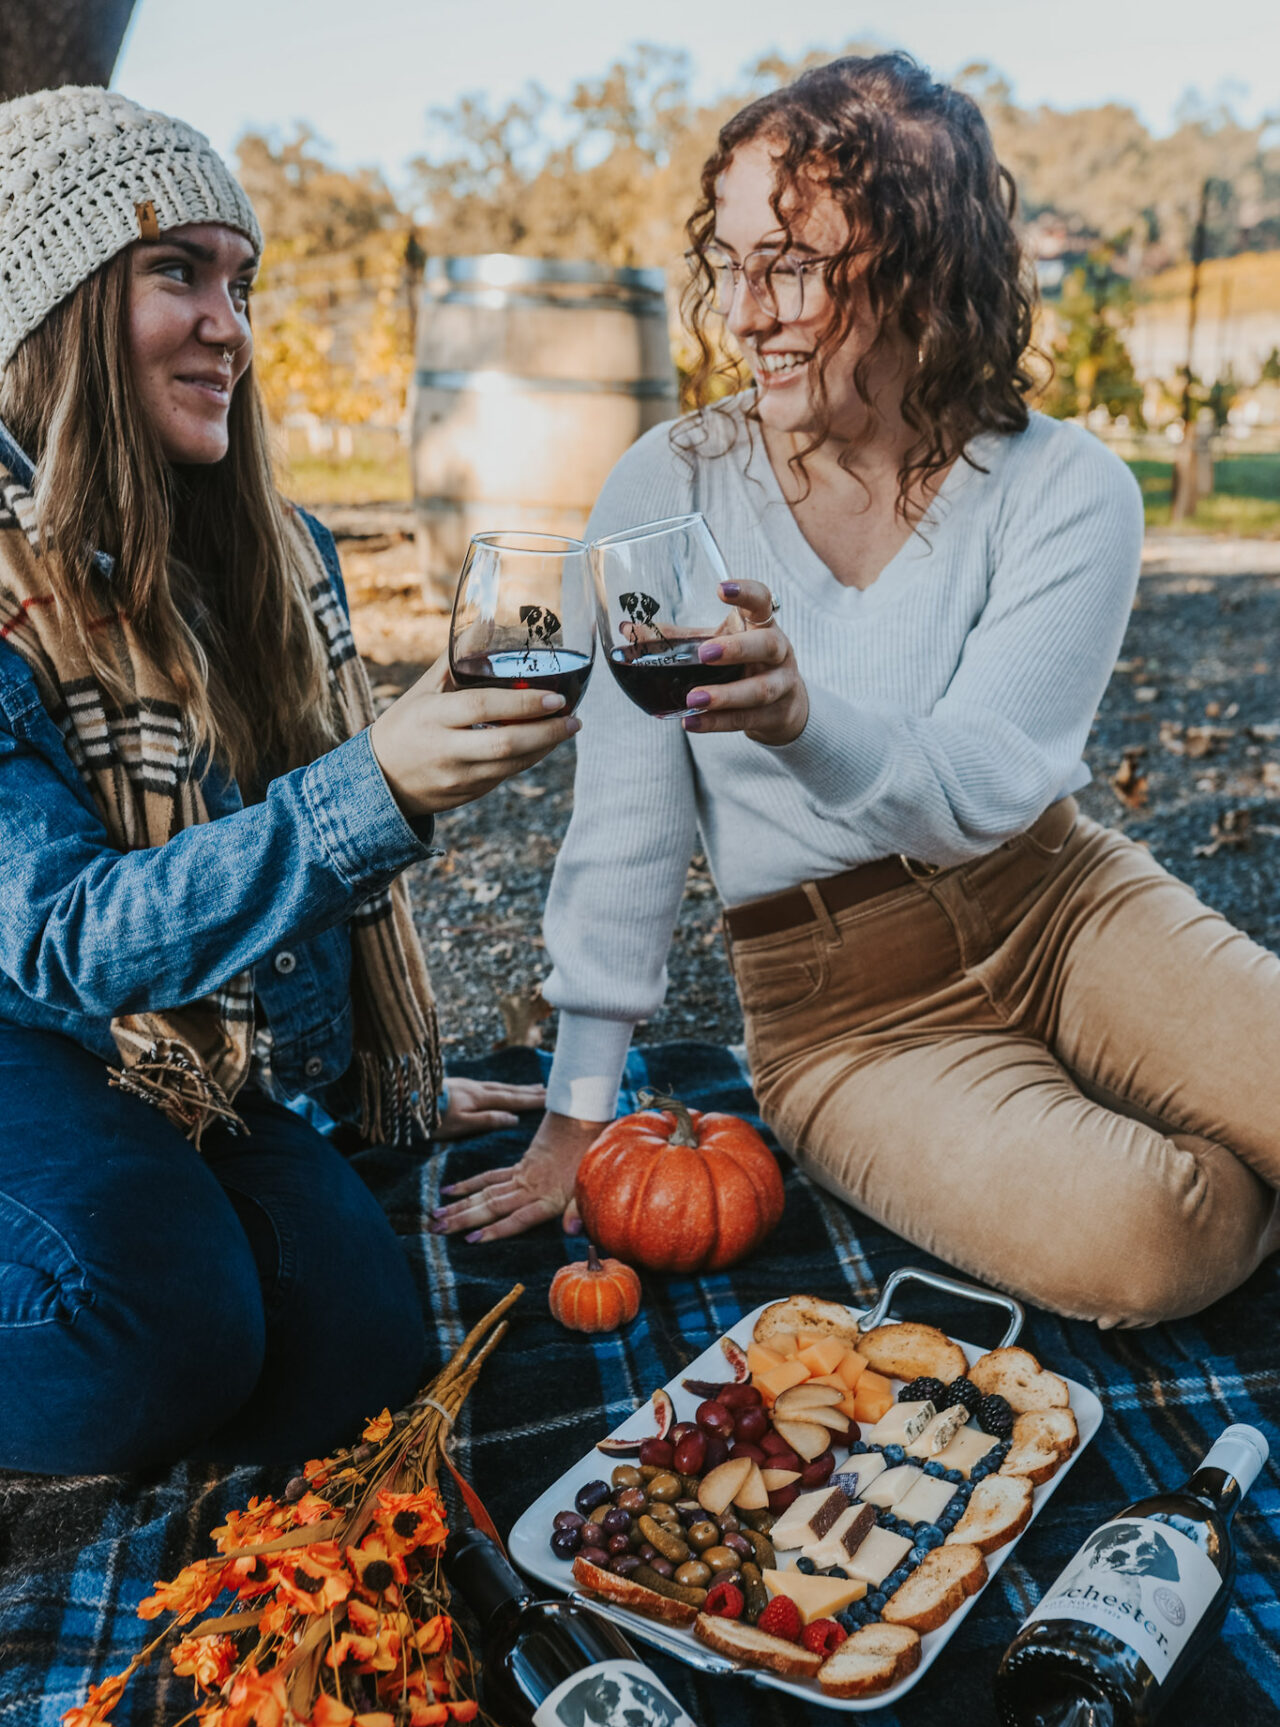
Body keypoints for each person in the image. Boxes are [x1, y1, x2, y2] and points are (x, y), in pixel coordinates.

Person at [434, 52, 1280, 1329]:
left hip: (1059, 905)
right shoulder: (671, 486)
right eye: (728, 263)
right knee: (1154, 1238)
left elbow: (981, 785)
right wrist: (574, 1115)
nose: (746, 310)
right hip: (849, 1018)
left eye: (791, 264)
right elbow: (625, 824)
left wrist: (802, 717)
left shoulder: (1065, 490)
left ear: (918, 266)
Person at [0, 88, 579, 1475]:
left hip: (175, 1053)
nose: (228, 324)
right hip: (26, 1022)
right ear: (54, 305)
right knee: (160, 1337)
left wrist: (358, 1078)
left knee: (351, 1351)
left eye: (238, 281)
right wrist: (373, 789)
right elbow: (66, 937)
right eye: (174, 272)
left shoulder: (267, 549)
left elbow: (288, 906)